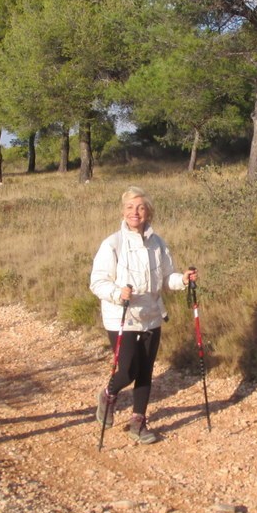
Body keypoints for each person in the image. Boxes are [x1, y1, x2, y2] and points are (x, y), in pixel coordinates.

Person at [89, 186, 196, 445]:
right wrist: (118, 293)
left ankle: (139, 421)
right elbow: (97, 282)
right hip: (121, 317)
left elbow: (166, 278)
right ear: (122, 211)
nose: (134, 212)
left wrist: (182, 279)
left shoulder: (158, 243)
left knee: (146, 370)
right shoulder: (112, 244)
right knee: (127, 370)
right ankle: (108, 394)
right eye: (129, 207)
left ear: (148, 212)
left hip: (151, 315)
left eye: (140, 207)